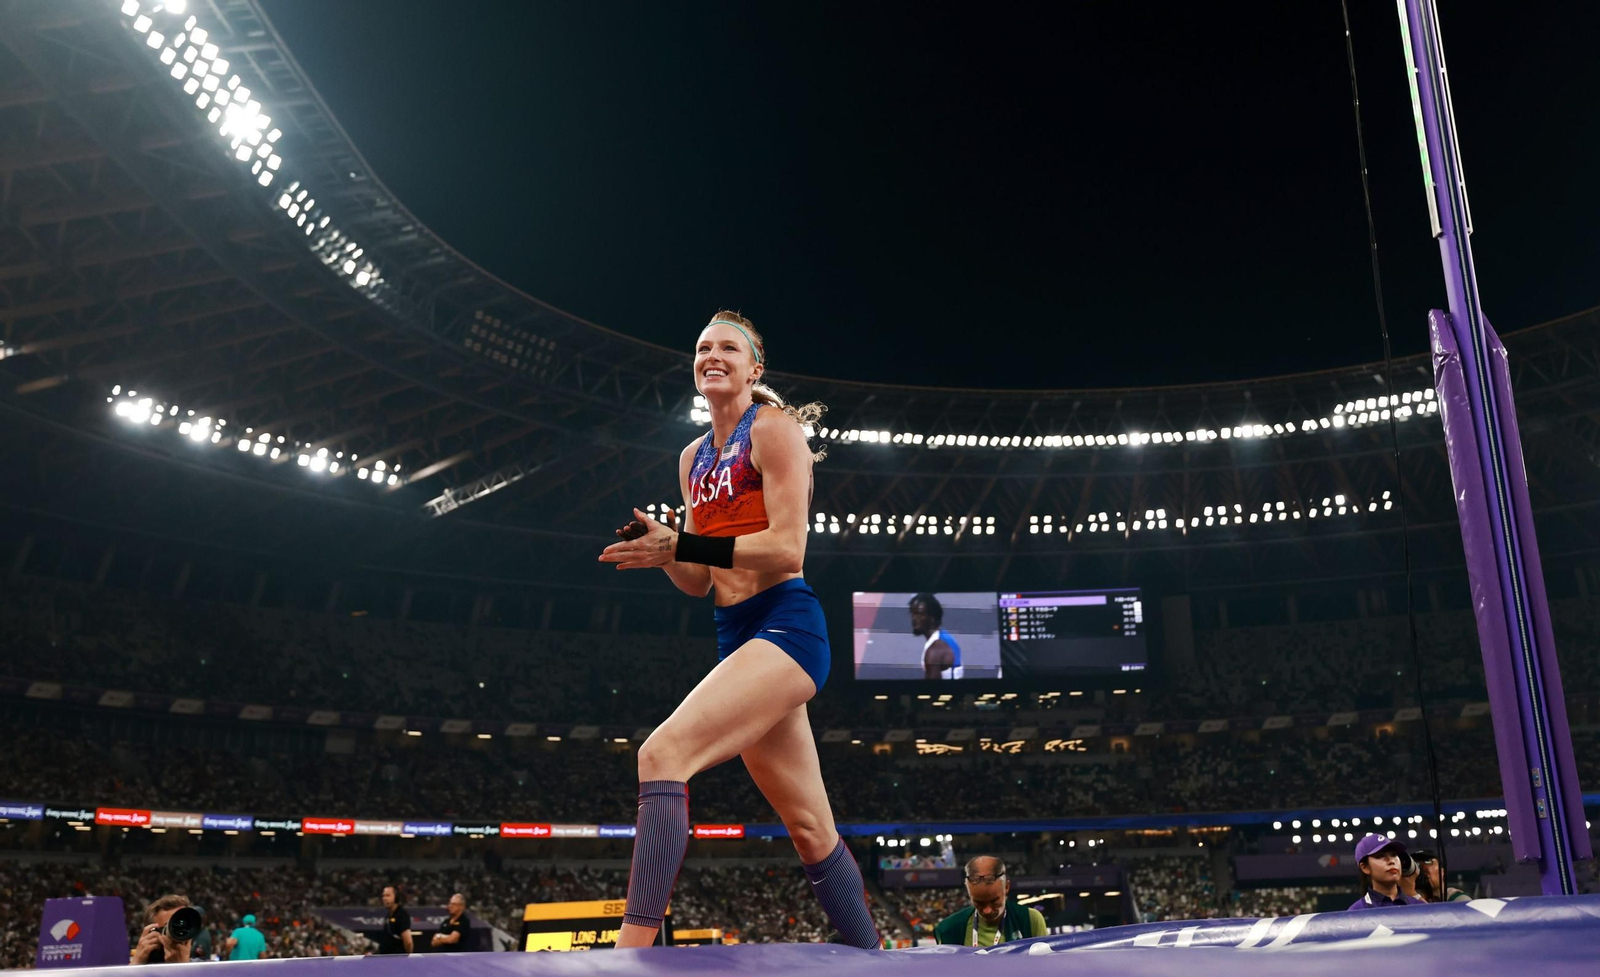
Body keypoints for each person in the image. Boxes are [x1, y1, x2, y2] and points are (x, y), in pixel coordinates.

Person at [599, 311, 879, 950]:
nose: (712, 354)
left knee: (661, 754)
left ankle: (630, 955)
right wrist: (668, 552)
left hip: (787, 627)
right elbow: (699, 580)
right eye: (702, 347)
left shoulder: (776, 431)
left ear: (756, 369)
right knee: (810, 828)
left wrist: (689, 541)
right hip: (736, 633)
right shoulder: (692, 459)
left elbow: (786, 550)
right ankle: (876, 960)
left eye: (729, 347)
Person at [932, 857, 1046, 946]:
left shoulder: (1030, 919)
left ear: (1006, 887)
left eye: (994, 901)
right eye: (979, 903)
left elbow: (1043, 968)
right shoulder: (950, 928)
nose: (987, 910)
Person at [1347, 834, 1419, 910]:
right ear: (1365, 868)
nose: (1391, 861)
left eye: (1393, 855)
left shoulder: (1418, 906)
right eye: (1380, 856)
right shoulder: (1356, 912)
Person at [129, 894, 196, 965]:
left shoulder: (202, 970)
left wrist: (183, 967)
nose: (179, 932)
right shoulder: (142, 969)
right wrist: (136, 963)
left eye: (183, 926)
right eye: (170, 927)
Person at [910, 594, 964, 680]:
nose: (914, 618)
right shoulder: (944, 637)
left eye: (919, 614)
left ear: (932, 618)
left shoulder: (935, 651)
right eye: (912, 613)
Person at [376, 885, 413, 954]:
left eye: (388, 895)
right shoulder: (389, 916)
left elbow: (408, 943)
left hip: (397, 960)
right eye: (383, 896)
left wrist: (407, 959)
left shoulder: (402, 915)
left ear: (396, 897)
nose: (384, 898)